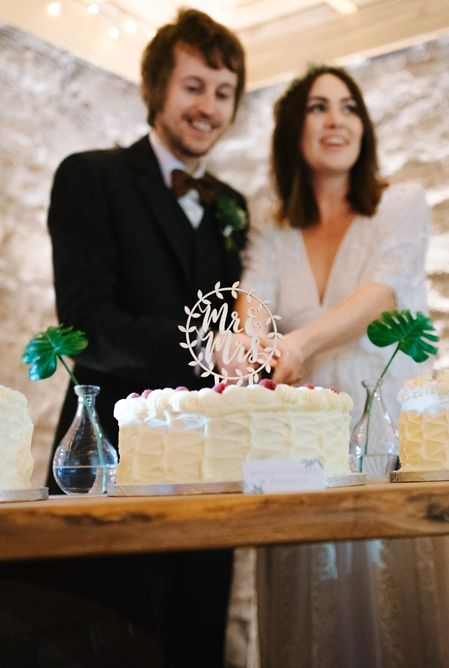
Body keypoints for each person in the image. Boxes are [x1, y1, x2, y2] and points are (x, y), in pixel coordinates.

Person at [3, 10, 245, 667]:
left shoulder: (231, 206)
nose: (209, 107)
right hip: (108, 463)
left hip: (206, 473)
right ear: (157, 89)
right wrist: (207, 345)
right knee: (106, 646)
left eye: (224, 93)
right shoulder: (91, 176)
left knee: (198, 646)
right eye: (194, 86)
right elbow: (88, 329)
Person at [227, 65, 449, 667]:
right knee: (310, 597)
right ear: (292, 129)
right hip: (302, 435)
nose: (336, 120)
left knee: (395, 592)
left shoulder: (401, 203)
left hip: (387, 425)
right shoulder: (272, 225)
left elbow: (382, 294)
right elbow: (252, 303)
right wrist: (248, 345)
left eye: (349, 107)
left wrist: (301, 344)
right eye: (317, 107)